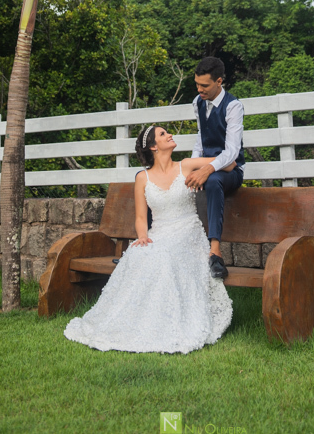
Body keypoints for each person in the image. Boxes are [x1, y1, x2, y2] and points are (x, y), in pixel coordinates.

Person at [63, 124, 233, 354]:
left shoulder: (186, 165)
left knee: (164, 257)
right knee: (140, 253)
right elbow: (141, 217)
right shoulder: (142, 178)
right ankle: (135, 320)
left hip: (187, 231)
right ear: (154, 146)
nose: (170, 135)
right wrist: (142, 235)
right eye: (163, 134)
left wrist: (207, 170)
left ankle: (168, 320)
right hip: (158, 232)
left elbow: (230, 163)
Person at [186, 57, 245, 280]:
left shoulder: (233, 106)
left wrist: (207, 169)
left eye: (205, 85)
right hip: (207, 166)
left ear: (219, 81)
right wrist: (193, 167)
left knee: (212, 180)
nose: (199, 89)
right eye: (197, 84)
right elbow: (201, 140)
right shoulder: (197, 102)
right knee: (176, 182)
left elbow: (231, 152)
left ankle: (215, 251)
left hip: (232, 171)